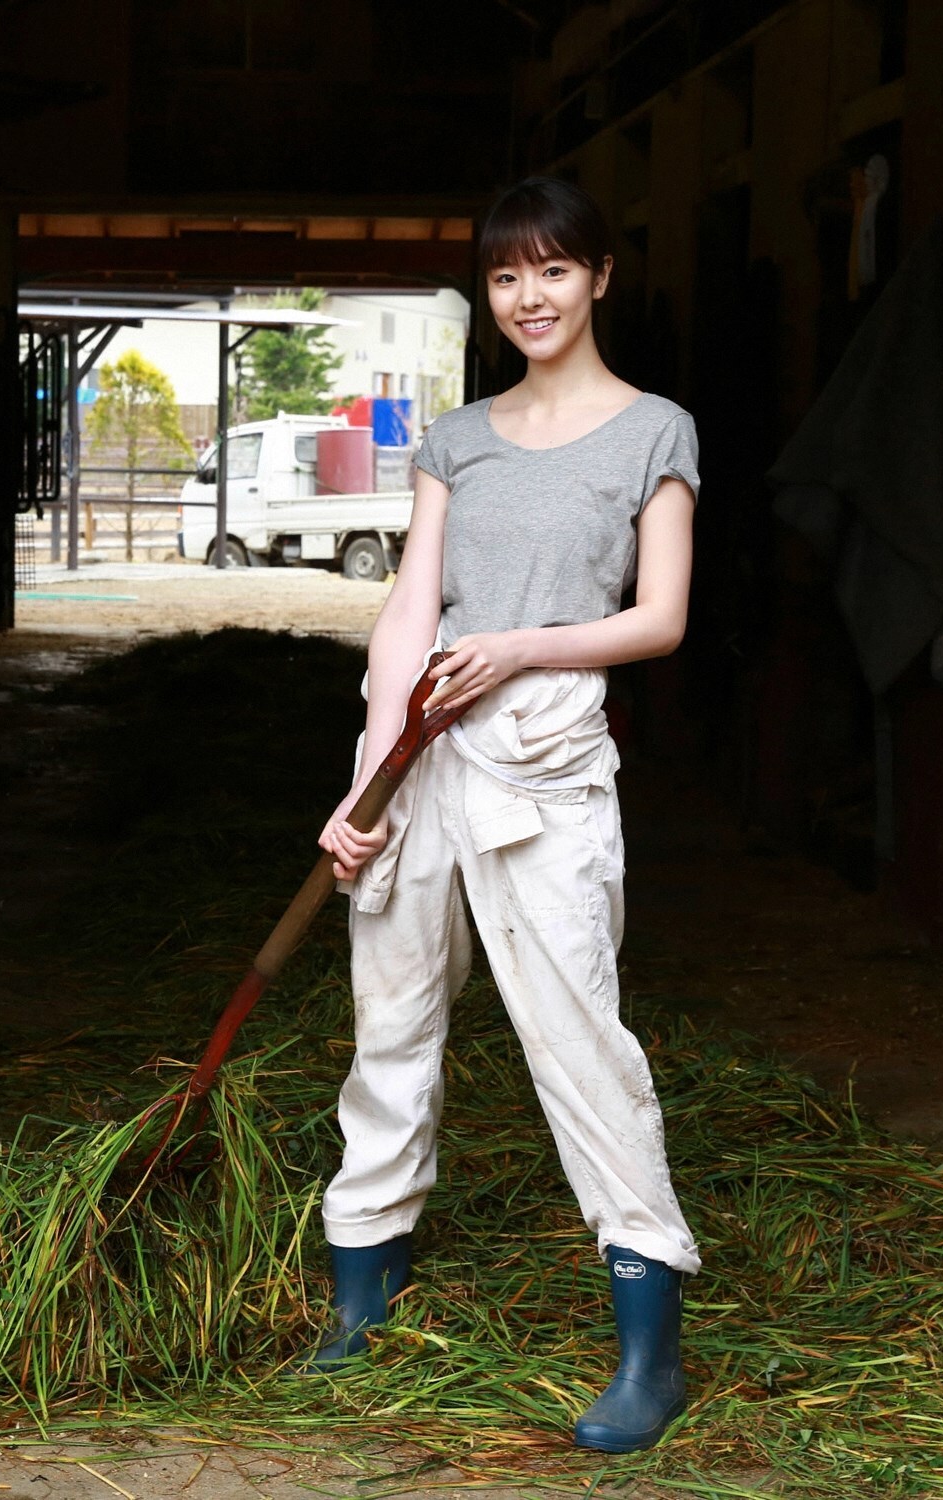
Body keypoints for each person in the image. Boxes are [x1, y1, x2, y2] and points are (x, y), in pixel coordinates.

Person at [309, 176, 702, 1455]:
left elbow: (659, 619)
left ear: (599, 277)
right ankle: (366, 1290)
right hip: (422, 748)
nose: (529, 297)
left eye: (553, 271)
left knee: (581, 1037)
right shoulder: (457, 438)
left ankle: (649, 1348)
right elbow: (411, 613)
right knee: (391, 1029)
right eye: (505, 277)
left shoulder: (654, 432)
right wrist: (364, 784)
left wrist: (524, 647)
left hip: (545, 758)